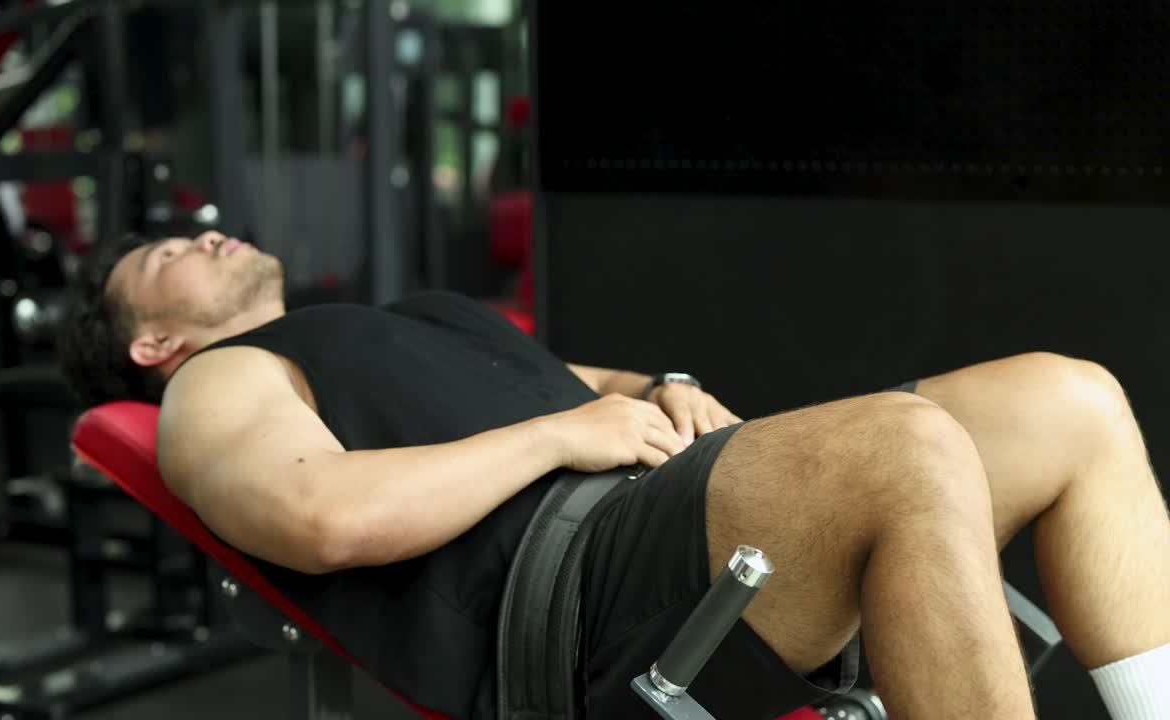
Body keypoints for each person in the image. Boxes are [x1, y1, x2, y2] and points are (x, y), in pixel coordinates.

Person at [58, 230, 1170, 720]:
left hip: (655, 516)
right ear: (153, 346)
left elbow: (613, 383)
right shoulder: (219, 381)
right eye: (166, 256)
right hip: (566, 603)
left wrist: (667, 388)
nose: (203, 240)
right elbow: (318, 518)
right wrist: (554, 440)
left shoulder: (404, 318)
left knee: (1061, 396)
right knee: (903, 441)